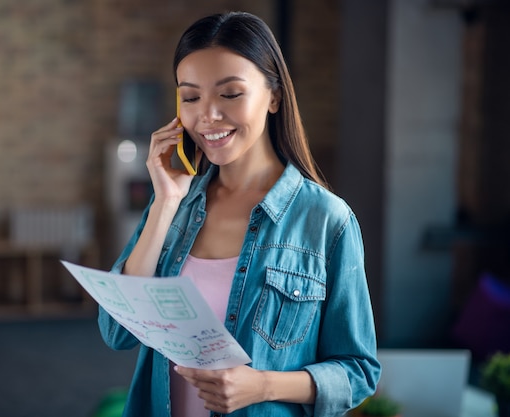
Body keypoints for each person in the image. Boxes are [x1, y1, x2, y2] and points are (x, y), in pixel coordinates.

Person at [98, 11, 381, 417]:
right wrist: (164, 202)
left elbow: (358, 373)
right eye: (191, 97)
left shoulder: (327, 222)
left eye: (230, 94)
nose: (207, 116)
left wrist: (262, 385)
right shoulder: (175, 205)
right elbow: (117, 332)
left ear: (275, 96)